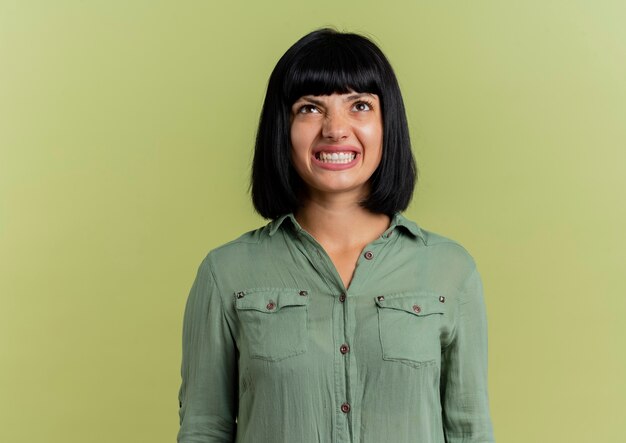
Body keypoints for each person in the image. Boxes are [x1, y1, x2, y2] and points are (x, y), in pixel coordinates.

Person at [177, 28, 494, 443]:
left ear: (387, 124)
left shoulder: (450, 271)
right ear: (282, 128)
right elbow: (205, 428)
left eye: (360, 106)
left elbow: (470, 430)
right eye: (310, 109)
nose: (335, 129)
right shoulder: (226, 273)